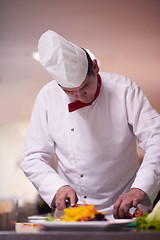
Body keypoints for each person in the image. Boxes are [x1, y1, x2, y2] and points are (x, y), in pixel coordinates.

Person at [20, 30, 160, 219]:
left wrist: (140, 188)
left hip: (125, 211)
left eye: (85, 86)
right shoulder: (47, 98)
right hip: (73, 214)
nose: (80, 96)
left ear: (95, 67)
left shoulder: (125, 90)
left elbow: (156, 140)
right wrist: (57, 187)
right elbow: (32, 157)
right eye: (70, 92)